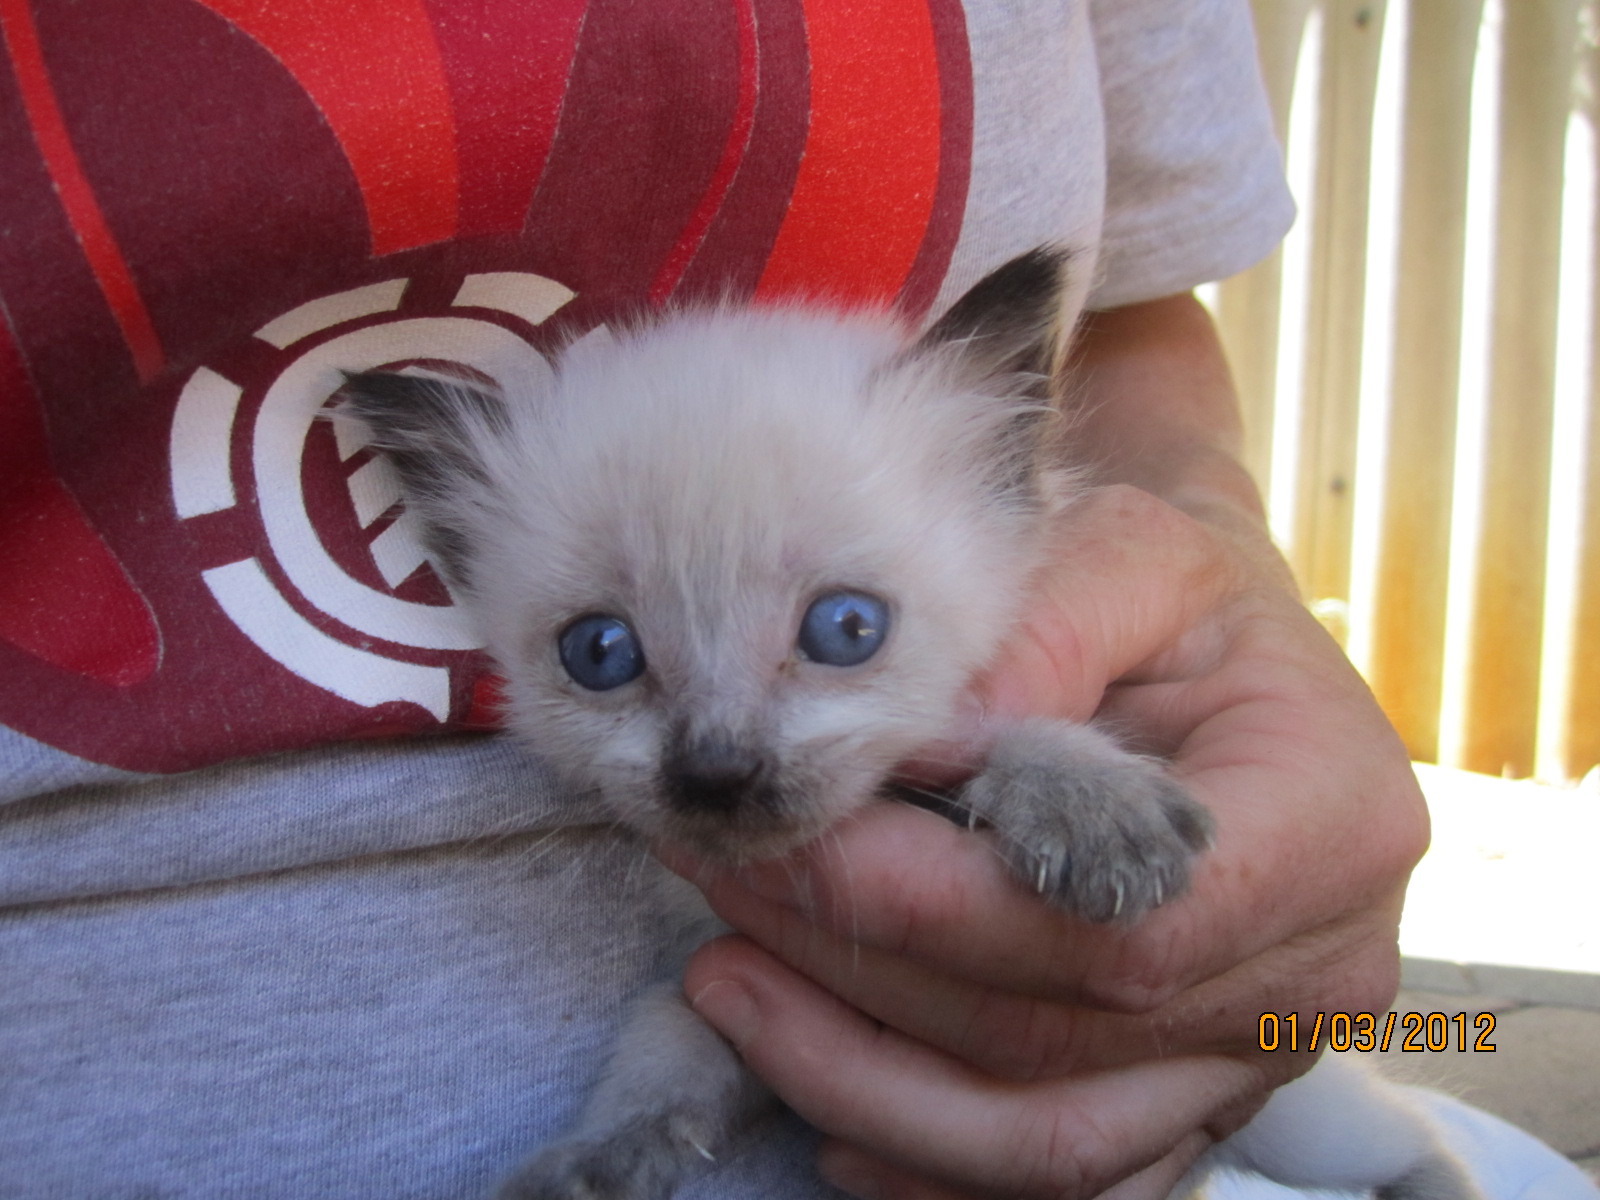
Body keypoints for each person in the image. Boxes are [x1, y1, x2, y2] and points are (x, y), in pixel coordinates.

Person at [3, 2, 1584, 1198]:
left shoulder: (966, 564)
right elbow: (714, 996)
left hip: (1160, 1099)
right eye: (602, 656)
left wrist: (1198, 630)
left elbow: (1135, 336)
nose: (715, 755)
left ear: (1003, 506)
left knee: (1334, 1103)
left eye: (839, 635)